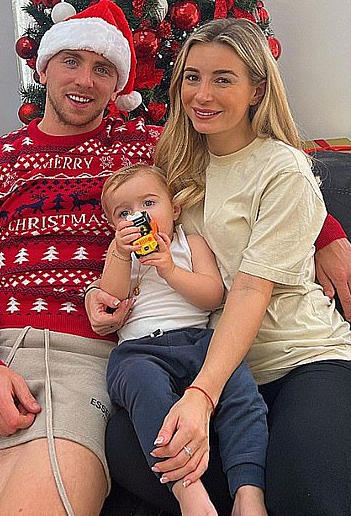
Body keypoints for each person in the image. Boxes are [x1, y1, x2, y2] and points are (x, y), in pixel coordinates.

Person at [0, 0, 351, 516]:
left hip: (87, 362)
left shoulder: (150, 148)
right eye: (71, 62)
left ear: (118, 85)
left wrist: (328, 233)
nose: (85, 80)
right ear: (45, 68)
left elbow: (257, 168)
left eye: (103, 68)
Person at [99, 18, 351, 516]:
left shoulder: (283, 169)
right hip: (215, 368)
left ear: (257, 90)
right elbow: (128, 217)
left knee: (308, 502)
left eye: (223, 79)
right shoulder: (175, 163)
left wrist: (201, 397)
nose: (201, 94)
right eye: (191, 76)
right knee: (124, 446)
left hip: (302, 361)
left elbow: (249, 289)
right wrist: (107, 298)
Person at [100, 164, 268, 516]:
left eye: (148, 203)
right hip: (139, 351)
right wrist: (119, 253)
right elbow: (110, 298)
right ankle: (187, 491)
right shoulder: (119, 254)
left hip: (197, 340)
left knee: (239, 388)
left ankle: (248, 492)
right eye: (124, 213)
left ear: (174, 209)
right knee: (146, 392)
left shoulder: (189, 243)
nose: (138, 217)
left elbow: (213, 295)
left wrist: (169, 269)